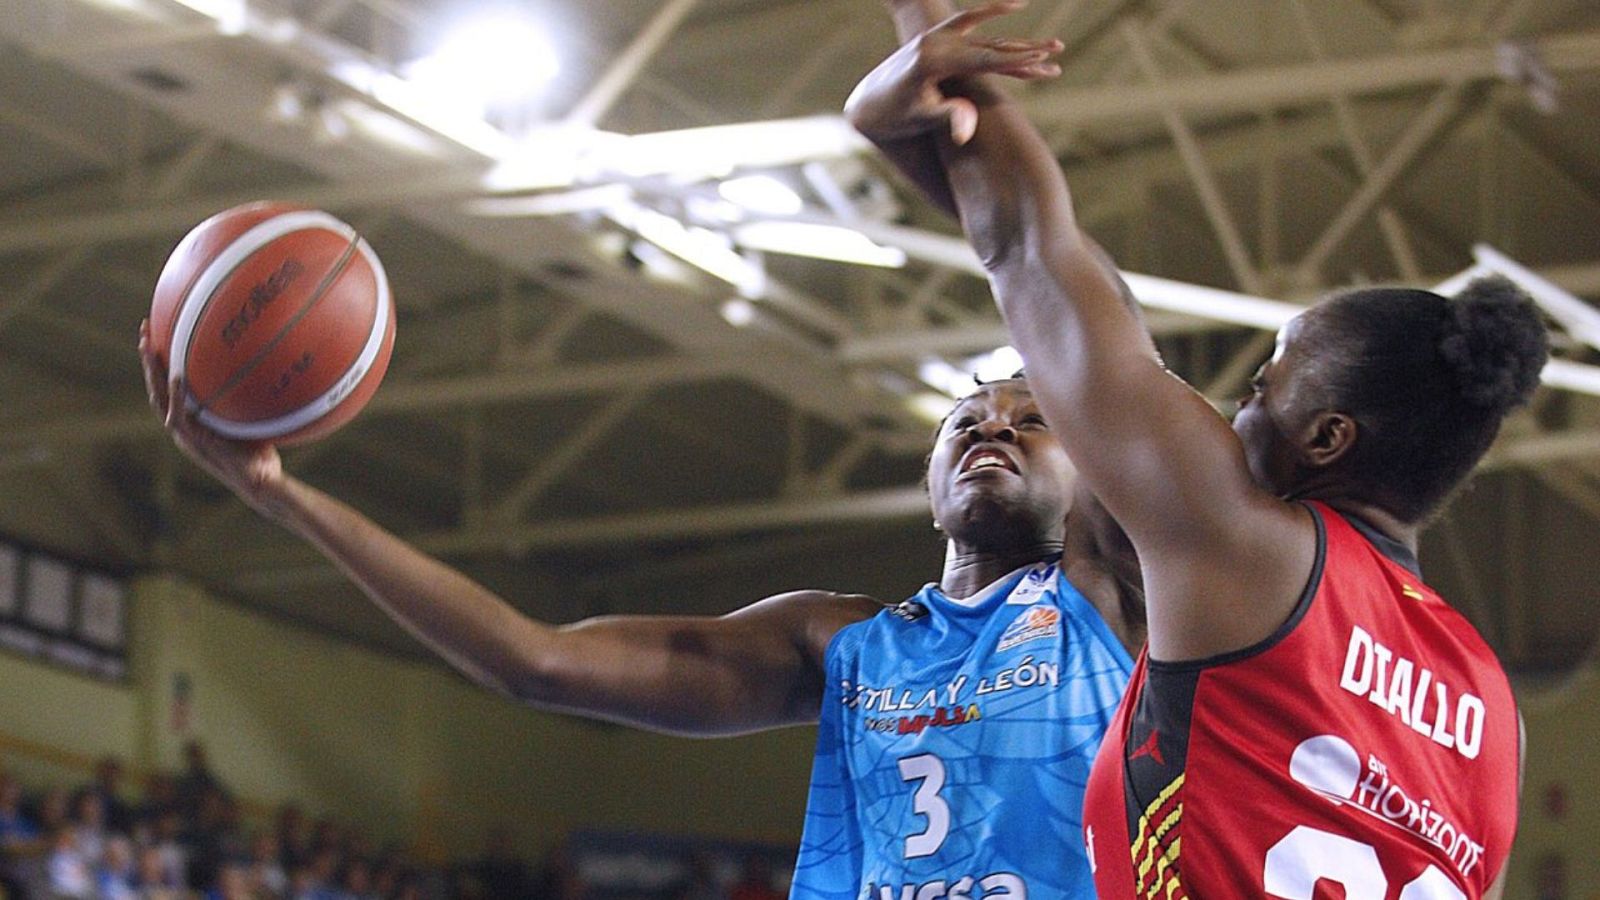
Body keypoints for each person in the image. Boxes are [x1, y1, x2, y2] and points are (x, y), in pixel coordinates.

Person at [844, 2, 1539, 897]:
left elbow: (1030, 252)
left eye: (1263, 389)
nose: (1235, 409)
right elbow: (1087, 306)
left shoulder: (1249, 550)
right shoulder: (1492, 705)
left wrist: (930, 31)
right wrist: (906, 130)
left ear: (1325, 440)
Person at [138, 310, 1144, 898]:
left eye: (1032, 419)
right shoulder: (839, 642)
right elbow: (532, 661)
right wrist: (279, 496)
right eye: (965, 416)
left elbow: (1106, 364)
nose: (991, 426)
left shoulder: (1128, 595)